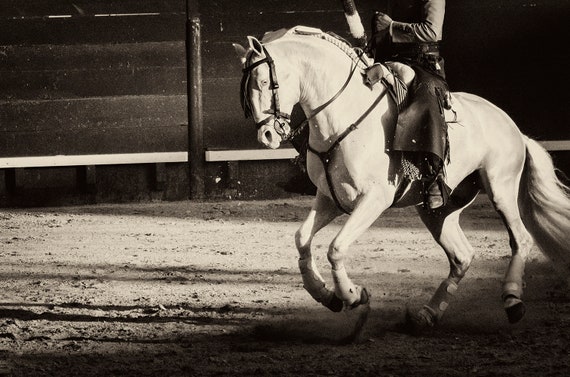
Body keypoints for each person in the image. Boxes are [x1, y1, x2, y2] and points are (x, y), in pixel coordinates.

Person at [367, 0, 451, 209]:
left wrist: (391, 26)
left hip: (423, 64)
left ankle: (433, 176)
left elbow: (432, 32)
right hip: (388, 59)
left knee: (426, 100)